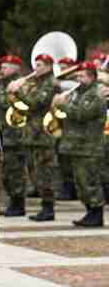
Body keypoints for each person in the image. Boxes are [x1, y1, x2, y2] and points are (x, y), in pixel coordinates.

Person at [52, 61, 107, 227]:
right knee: (80, 181)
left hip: (90, 146)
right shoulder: (78, 92)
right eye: (78, 76)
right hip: (76, 144)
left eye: (82, 76)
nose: (79, 79)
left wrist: (64, 104)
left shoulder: (97, 94)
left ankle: (96, 213)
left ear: (92, 77)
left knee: (90, 181)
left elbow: (83, 113)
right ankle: (90, 211)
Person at [9, 54, 58, 221]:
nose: (36, 68)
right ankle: (44, 207)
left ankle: (48, 208)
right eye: (36, 65)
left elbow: (36, 102)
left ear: (49, 66)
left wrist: (19, 89)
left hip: (43, 134)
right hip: (32, 133)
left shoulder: (51, 83)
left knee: (44, 172)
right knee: (34, 171)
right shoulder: (36, 82)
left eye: (40, 65)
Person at [0, 55, 28, 216]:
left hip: (14, 134)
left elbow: (21, 104)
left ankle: (18, 203)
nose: (2, 69)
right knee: (6, 172)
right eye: (2, 66)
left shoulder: (21, 83)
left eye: (6, 66)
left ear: (16, 68)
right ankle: (13, 201)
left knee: (16, 171)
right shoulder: (1, 83)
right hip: (1, 133)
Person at [55, 58, 79, 201]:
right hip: (61, 123)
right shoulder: (58, 82)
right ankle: (67, 186)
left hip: (73, 125)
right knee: (62, 157)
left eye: (66, 67)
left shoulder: (76, 82)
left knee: (71, 158)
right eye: (61, 67)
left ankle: (71, 188)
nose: (63, 70)